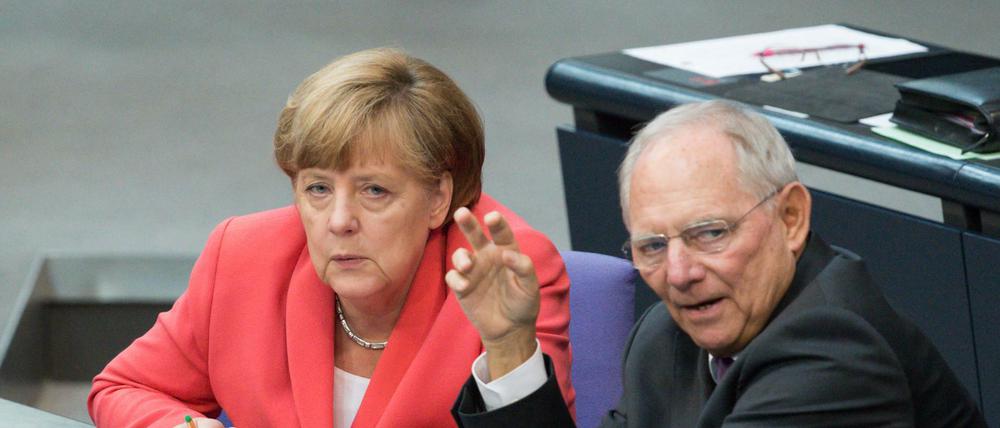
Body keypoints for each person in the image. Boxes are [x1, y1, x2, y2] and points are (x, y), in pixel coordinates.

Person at [88, 48, 575, 428]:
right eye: (318, 188)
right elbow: (123, 388)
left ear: (437, 198)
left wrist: (509, 345)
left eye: (375, 190)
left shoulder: (498, 270)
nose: (339, 220)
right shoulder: (243, 256)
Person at [449, 100, 986, 427]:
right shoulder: (664, 334)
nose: (679, 274)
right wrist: (510, 345)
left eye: (710, 233)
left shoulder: (835, 352)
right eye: (652, 246)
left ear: (792, 217)